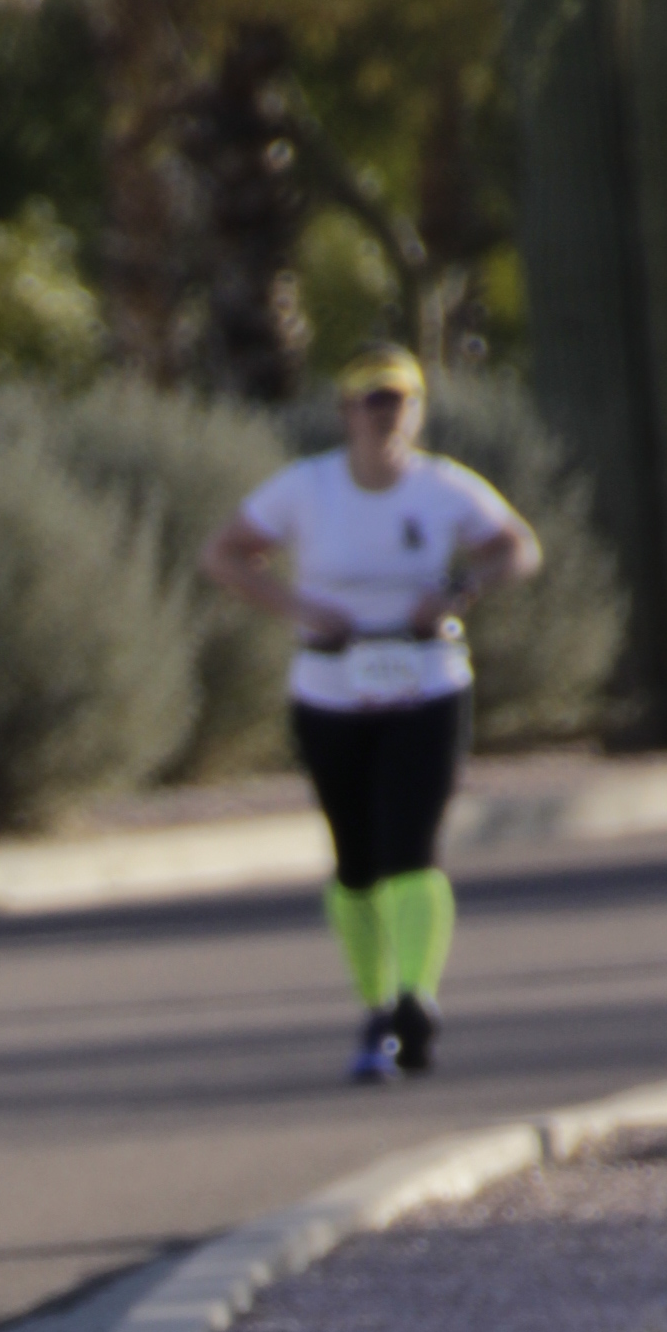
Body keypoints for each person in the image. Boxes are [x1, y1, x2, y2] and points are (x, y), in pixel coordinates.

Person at [200, 344, 541, 1081]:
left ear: (417, 412)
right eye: (373, 401)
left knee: (409, 846)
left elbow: (517, 549)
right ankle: (376, 1004)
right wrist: (300, 608)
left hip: (426, 683)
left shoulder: (444, 487)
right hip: (331, 687)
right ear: (346, 412)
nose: (387, 415)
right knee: (355, 859)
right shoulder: (307, 487)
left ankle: (415, 999)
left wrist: (457, 591)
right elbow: (224, 554)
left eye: (401, 401)